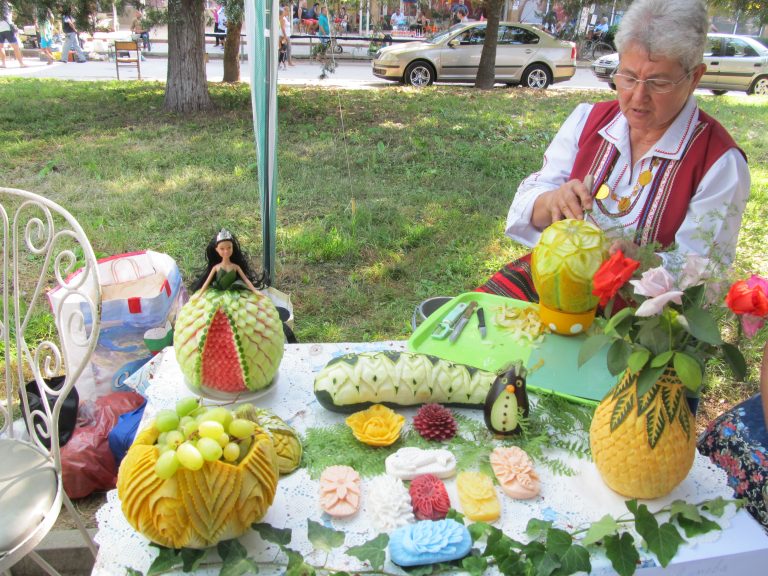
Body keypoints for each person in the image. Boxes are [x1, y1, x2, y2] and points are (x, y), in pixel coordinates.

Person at [476, 0, 750, 301]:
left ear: (694, 77)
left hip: (640, 321)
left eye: (658, 83)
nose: (638, 97)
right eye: (629, 77)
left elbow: (705, 277)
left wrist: (641, 261)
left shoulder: (719, 162)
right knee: (464, 330)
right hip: (556, 285)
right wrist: (553, 199)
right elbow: (527, 201)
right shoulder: (588, 121)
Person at [191, 229, 265, 295]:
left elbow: (245, 279)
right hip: (217, 294)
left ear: (233, 247)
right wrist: (199, 294)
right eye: (222, 249)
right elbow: (207, 282)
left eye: (229, 248)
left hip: (234, 294)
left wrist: (255, 291)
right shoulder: (216, 267)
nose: (226, 251)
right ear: (216, 250)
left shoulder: (236, 267)